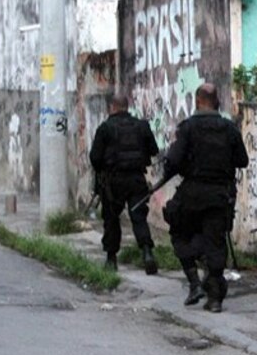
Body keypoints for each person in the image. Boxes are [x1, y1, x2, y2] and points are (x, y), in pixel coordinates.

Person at [163, 83, 248, 313]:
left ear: (198, 101)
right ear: (216, 101)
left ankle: (193, 281)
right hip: (220, 195)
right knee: (216, 243)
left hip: (192, 194)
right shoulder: (229, 128)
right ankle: (214, 299)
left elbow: (173, 161)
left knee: (178, 232)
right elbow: (242, 160)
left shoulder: (188, 128)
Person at [88, 94, 160, 273]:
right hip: (137, 179)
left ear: (112, 107)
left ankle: (111, 260)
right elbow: (154, 150)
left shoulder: (105, 128)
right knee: (139, 217)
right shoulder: (141, 126)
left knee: (111, 220)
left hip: (113, 182)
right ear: (127, 107)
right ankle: (147, 253)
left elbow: (95, 158)